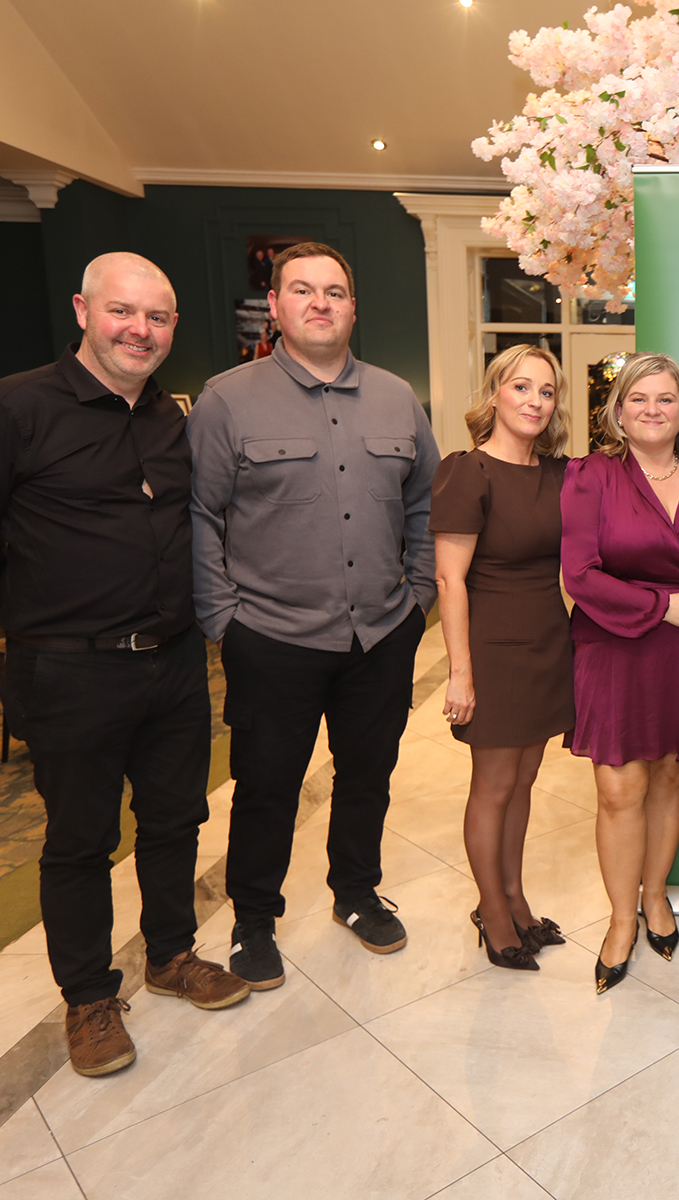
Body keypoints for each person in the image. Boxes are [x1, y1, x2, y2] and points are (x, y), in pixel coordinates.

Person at [0, 253, 249, 1077]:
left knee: (176, 819)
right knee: (81, 839)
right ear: (83, 311)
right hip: (68, 671)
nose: (140, 330)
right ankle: (88, 998)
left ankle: (171, 954)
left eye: (158, 317)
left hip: (173, 664)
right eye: (122, 312)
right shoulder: (18, 408)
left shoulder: (171, 419)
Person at [188, 242, 439, 989]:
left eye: (334, 291)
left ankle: (355, 893)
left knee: (369, 776)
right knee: (266, 787)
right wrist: (223, 621)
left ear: (353, 307)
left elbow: (426, 504)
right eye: (302, 290)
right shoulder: (226, 400)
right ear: (275, 305)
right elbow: (200, 516)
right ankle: (253, 920)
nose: (320, 303)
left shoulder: (397, 397)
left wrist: (418, 599)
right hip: (271, 638)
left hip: (381, 634)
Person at [561, 353, 679, 993]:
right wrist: (662, 606)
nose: (653, 410)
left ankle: (655, 895)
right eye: (639, 398)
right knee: (618, 788)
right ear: (618, 411)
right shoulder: (591, 475)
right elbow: (579, 575)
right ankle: (618, 920)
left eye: (666, 399)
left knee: (668, 773)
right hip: (615, 644)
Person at [432, 344, 574, 972]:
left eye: (546, 391)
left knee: (524, 780)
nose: (534, 401)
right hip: (491, 650)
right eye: (521, 387)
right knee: (492, 786)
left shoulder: (558, 473)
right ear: (495, 393)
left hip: (547, 641)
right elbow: (448, 579)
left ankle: (515, 897)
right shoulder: (468, 472)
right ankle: (492, 911)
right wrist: (460, 673)